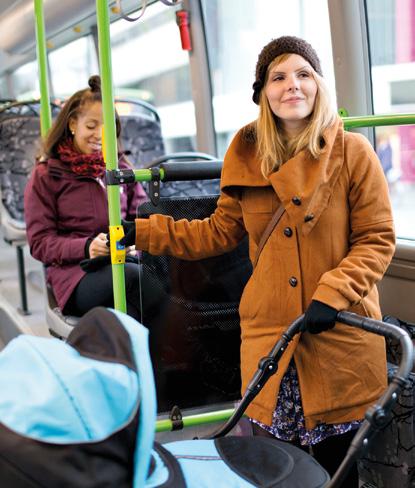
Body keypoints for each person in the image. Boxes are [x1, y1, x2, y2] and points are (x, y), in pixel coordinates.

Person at [119, 36, 395, 485]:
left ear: (319, 85)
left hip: (336, 332)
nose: (293, 85)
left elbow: (376, 239)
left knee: (338, 469)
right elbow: (218, 232)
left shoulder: (353, 153)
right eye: (278, 76)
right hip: (271, 337)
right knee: (279, 469)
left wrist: (334, 293)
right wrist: (146, 231)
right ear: (262, 92)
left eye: (304, 74)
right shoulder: (246, 153)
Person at [24, 75, 147, 321]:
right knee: (136, 279)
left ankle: (138, 355)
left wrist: (137, 240)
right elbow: (40, 242)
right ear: (72, 124)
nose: (99, 136)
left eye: (107, 129)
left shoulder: (120, 168)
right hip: (75, 274)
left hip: (125, 260)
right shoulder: (47, 175)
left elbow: (143, 214)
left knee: (145, 293)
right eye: (91, 126)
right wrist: (87, 247)